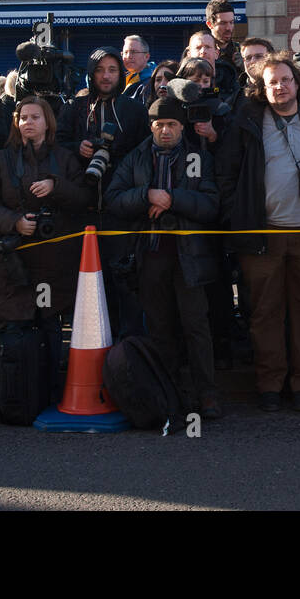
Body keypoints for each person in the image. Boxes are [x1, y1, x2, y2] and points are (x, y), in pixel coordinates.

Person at [215, 52, 300, 412]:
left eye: (285, 80)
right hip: (262, 234)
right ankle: (269, 385)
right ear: (261, 89)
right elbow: (227, 176)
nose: (279, 87)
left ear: (298, 82)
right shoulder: (247, 123)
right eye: (272, 82)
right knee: (264, 313)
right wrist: (237, 219)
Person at [105, 91, 223, 419]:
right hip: (150, 255)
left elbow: (211, 204)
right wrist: (147, 195)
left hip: (189, 257)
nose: (165, 130)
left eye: (172, 124)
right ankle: (170, 391)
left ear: (182, 127)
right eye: (159, 124)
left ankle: (207, 394)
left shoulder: (199, 158)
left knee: (196, 326)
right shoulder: (136, 157)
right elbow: (114, 198)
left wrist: (172, 199)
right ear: (151, 126)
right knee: (160, 327)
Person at [0, 96, 92, 381]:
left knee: (51, 330)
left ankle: (50, 390)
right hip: (14, 264)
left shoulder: (65, 159)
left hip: (55, 264)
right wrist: (14, 222)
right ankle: (16, 396)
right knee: (14, 331)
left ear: (47, 122)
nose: (28, 122)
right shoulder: (1, 160)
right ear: (16, 122)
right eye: (23, 117)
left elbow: (83, 201)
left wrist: (57, 186)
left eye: (35, 117)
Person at [55, 48, 149, 188]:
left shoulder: (136, 110)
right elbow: (57, 144)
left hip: (122, 191)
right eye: (99, 70)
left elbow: (145, 152)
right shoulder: (73, 107)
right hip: (81, 190)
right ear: (91, 73)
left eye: (112, 70)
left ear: (120, 73)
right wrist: (77, 148)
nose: (106, 76)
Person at [185, 30, 239, 105]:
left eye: (208, 47)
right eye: (198, 48)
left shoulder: (230, 81)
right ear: (189, 54)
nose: (203, 51)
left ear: (217, 53)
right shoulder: (180, 80)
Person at [205, 0, 241, 68]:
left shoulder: (242, 52)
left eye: (231, 22)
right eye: (223, 23)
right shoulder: (198, 51)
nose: (228, 28)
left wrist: (247, 69)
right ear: (209, 24)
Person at [121, 35, 152, 103]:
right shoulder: (122, 78)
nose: (128, 56)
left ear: (146, 56)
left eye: (133, 52)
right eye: (125, 52)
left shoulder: (151, 83)